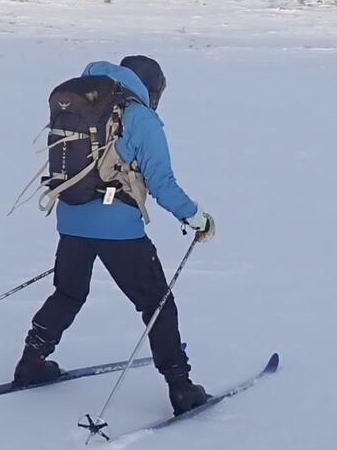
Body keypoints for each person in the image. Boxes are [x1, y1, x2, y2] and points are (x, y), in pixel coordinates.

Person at [14, 54, 217, 415]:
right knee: (157, 303)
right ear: (152, 89)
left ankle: (31, 361)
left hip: (70, 216)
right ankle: (181, 387)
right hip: (118, 228)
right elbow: (161, 183)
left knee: (68, 293)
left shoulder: (85, 105)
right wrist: (197, 218)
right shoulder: (140, 117)